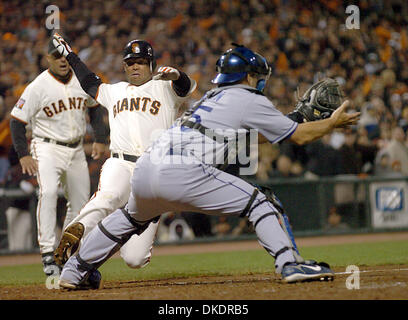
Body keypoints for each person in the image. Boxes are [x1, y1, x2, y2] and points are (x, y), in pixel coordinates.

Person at [58, 43, 359, 289]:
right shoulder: (247, 98)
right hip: (184, 171)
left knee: (127, 218)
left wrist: (295, 122)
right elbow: (300, 138)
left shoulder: (211, 99)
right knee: (262, 202)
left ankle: (73, 272)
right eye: (256, 75)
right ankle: (289, 263)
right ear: (249, 76)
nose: (258, 80)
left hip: (149, 167)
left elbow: (247, 140)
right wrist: (330, 123)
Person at [52, 34, 196, 271]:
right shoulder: (114, 91)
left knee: (135, 259)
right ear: (124, 66)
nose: (135, 66)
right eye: (130, 62)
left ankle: (94, 244)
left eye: (140, 61)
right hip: (121, 163)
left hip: (153, 171)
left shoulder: (165, 88)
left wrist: (177, 75)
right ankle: (75, 231)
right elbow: (89, 82)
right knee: (109, 196)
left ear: (151, 64)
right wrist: (70, 56)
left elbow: (186, 86)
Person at [9, 38, 107, 276]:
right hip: (47, 147)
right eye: (56, 56)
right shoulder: (37, 86)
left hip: (75, 149)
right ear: (47, 59)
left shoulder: (80, 81)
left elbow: (95, 109)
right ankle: (46, 252)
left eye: (64, 55)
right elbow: (16, 122)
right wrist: (23, 155)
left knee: (81, 201)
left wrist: (100, 138)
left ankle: (64, 252)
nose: (62, 60)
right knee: (49, 191)